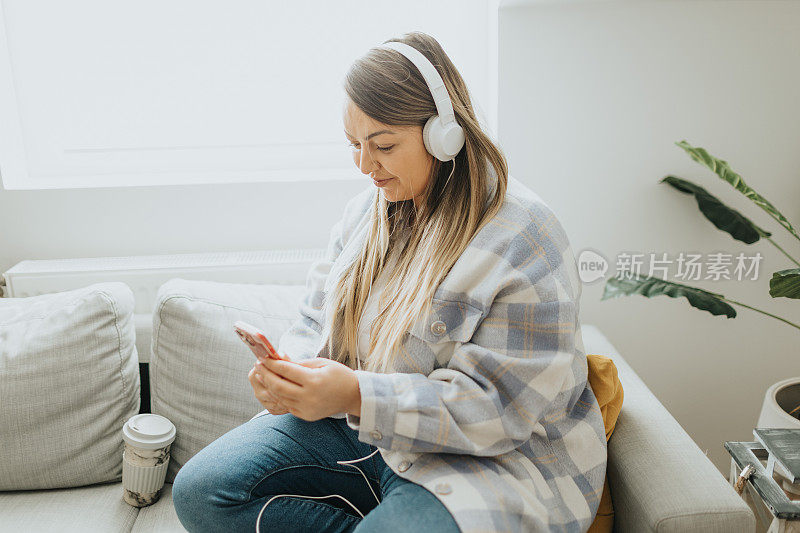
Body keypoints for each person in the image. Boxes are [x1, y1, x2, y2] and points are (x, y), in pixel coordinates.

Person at [171, 31, 607, 533]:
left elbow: (496, 411)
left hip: (484, 458)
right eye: (354, 145)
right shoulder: (365, 216)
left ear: (445, 132)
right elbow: (314, 322)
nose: (364, 165)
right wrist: (290, 377)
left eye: (382, 145)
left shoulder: (523, 236)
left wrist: (356, 394)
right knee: (203, 493)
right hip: (363, 433)